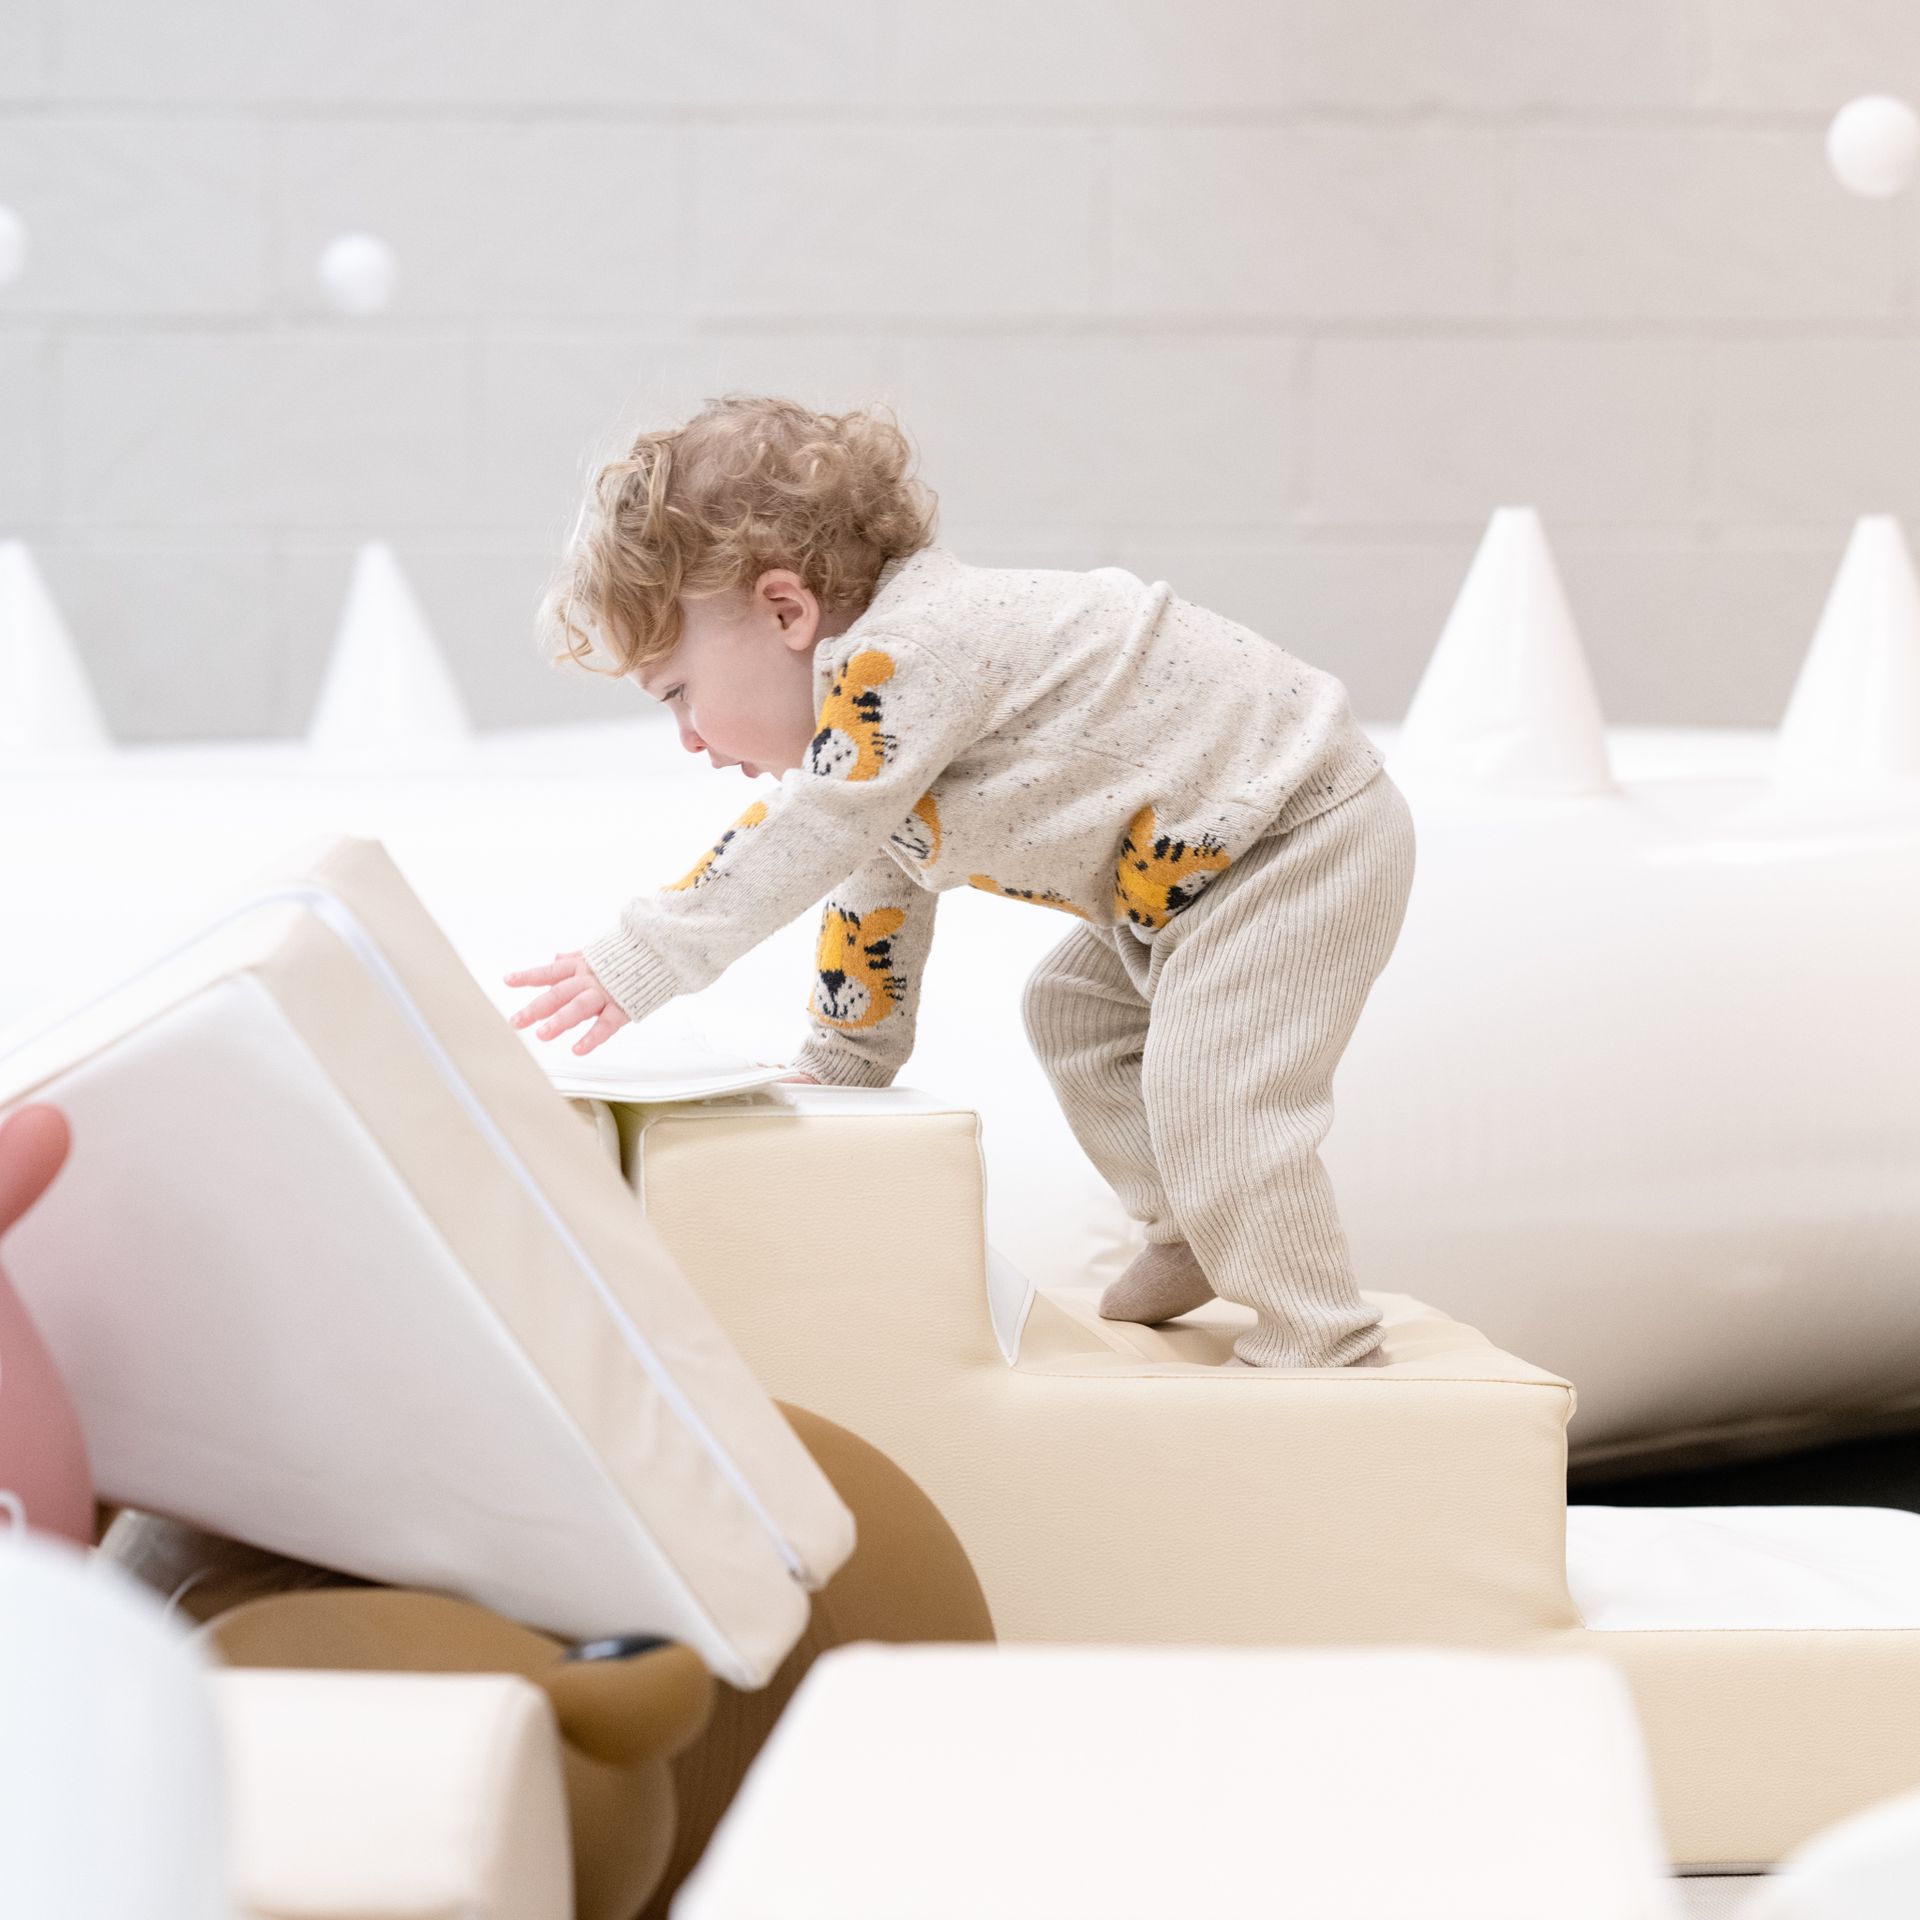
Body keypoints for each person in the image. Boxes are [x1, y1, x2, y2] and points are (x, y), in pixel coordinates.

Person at [507, 394, 1415, 1368]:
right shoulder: (881, 737)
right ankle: (1191, 1227)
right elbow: (873, 886)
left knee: (1218, 1091)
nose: (688, 738)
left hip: (1293, 831)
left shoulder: (910, 655)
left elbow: (811, 830)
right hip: (1204, 870)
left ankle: (1319, 1334)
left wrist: (643, 954)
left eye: (680, 693)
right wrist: (848, 1054)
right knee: (1076, 1013)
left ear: (786, 611)